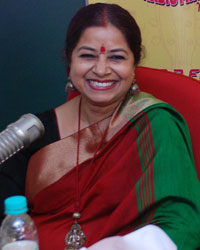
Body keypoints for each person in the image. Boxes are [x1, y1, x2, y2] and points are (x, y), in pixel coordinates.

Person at [0, 3, 200, 250]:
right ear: (69, 61)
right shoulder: (31, 132)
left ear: (134, 63)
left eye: (116, 57)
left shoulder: (155, 123)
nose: (102, 70)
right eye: (87, 56)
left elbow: (180, 225)